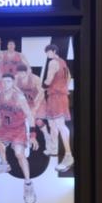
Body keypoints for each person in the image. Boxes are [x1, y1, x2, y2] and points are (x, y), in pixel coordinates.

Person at [0, 74, 39, 203]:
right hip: (5, 127)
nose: (6, 84)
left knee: (19, 154)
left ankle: (28, 184)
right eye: (4, 81)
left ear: (13, 83)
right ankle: (4, 164)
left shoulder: (19, 97)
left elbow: (30, 115)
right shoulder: (0, 93)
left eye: (9, 81)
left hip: (18, 129)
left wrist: (33, 136)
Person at [43, 44, 74, 172]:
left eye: (48, 52)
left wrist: (41, 86)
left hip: (57, 97)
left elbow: (48, 80)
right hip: (56, 96)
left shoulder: (53, 62)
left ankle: (68, 156)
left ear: (54, 51)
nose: (47, 55)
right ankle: (53, 149)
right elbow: (69, 76)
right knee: (52, 124)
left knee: (60, 125)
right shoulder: (63, 62)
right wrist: (64, 87)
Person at [14, 63, 52, 152]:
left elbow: (41, 94)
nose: (21, 75)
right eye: (19, 73)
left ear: (27, 72)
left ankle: (46, 135)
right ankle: (25, 141)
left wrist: (35, 107)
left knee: (36, 119)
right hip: (26, 102)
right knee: (24, 119)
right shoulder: (16, 79)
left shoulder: (35, 79)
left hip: (38, 101)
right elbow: (15, 92)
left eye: (22, 73)